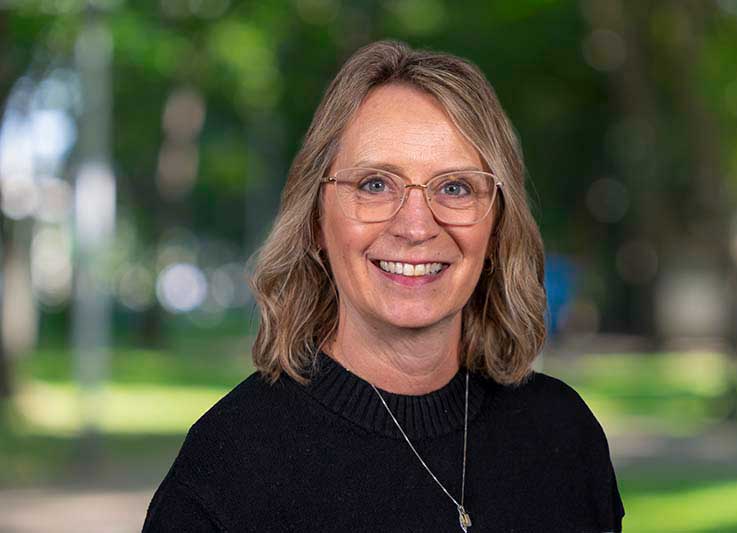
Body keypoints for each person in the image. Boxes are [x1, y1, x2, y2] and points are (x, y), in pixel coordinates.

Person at [143, 40, 625, 532]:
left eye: (455, 187)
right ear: (315, 221)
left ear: (497, 225)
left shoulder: (563, 436)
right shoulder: (228, 468)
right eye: (375, 184)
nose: (415, 227)